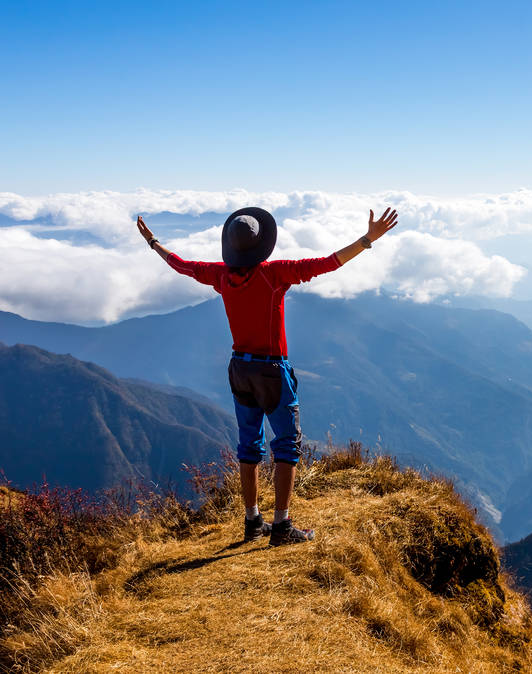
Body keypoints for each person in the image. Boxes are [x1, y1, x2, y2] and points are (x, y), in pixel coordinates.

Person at [137, 206, 398, 545]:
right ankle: (282, 526)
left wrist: (153, 242)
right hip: (272, 371)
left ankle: (252, 521)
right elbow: (327, 263)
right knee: (287, 445)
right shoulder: (274, 275)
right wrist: (366, 240)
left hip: (239, 369)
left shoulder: (220, 275)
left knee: (249, 446)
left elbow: (182, 265)